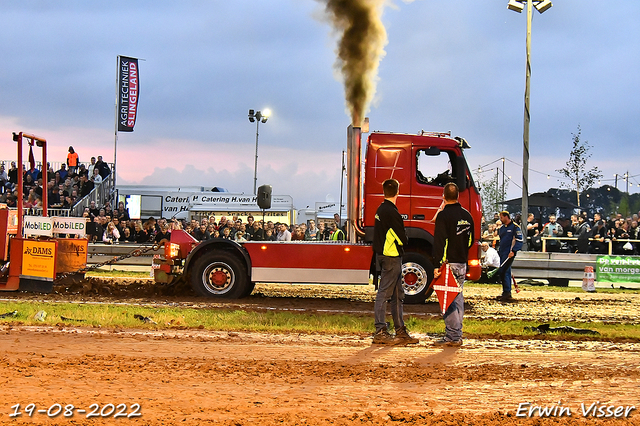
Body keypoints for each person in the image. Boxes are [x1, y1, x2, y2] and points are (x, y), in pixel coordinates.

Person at [371, 178, 418, 346]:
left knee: (398, 294)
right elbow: (402, 238)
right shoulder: (392, 212)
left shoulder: (380, 209)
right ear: (398, 191)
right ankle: (380, 330)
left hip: (385, 255)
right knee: (384, 294)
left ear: (384, 191)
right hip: (391, 257)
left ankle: (400, 330)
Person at [432, 182, 474, 346]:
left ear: (443, 196)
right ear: (458, 196)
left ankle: (453, 336)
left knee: (447, 300)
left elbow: (440, 242)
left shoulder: (443, 216)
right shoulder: (467, 215)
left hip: (448, 264)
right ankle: (457, 333)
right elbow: (470, 240)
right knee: (458, 299)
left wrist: (437, 264)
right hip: (462, 263)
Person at [495, 211, 523, 302]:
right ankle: (505, 292)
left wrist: (513, 251)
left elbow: (519, 240)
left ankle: (507, 292)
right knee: (504, 271)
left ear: (506, 216)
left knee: (504, 271)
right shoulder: (502, 228)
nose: (500, 219)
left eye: (501, 217)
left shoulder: (515, 227)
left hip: (509, 253)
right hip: (502, 253)